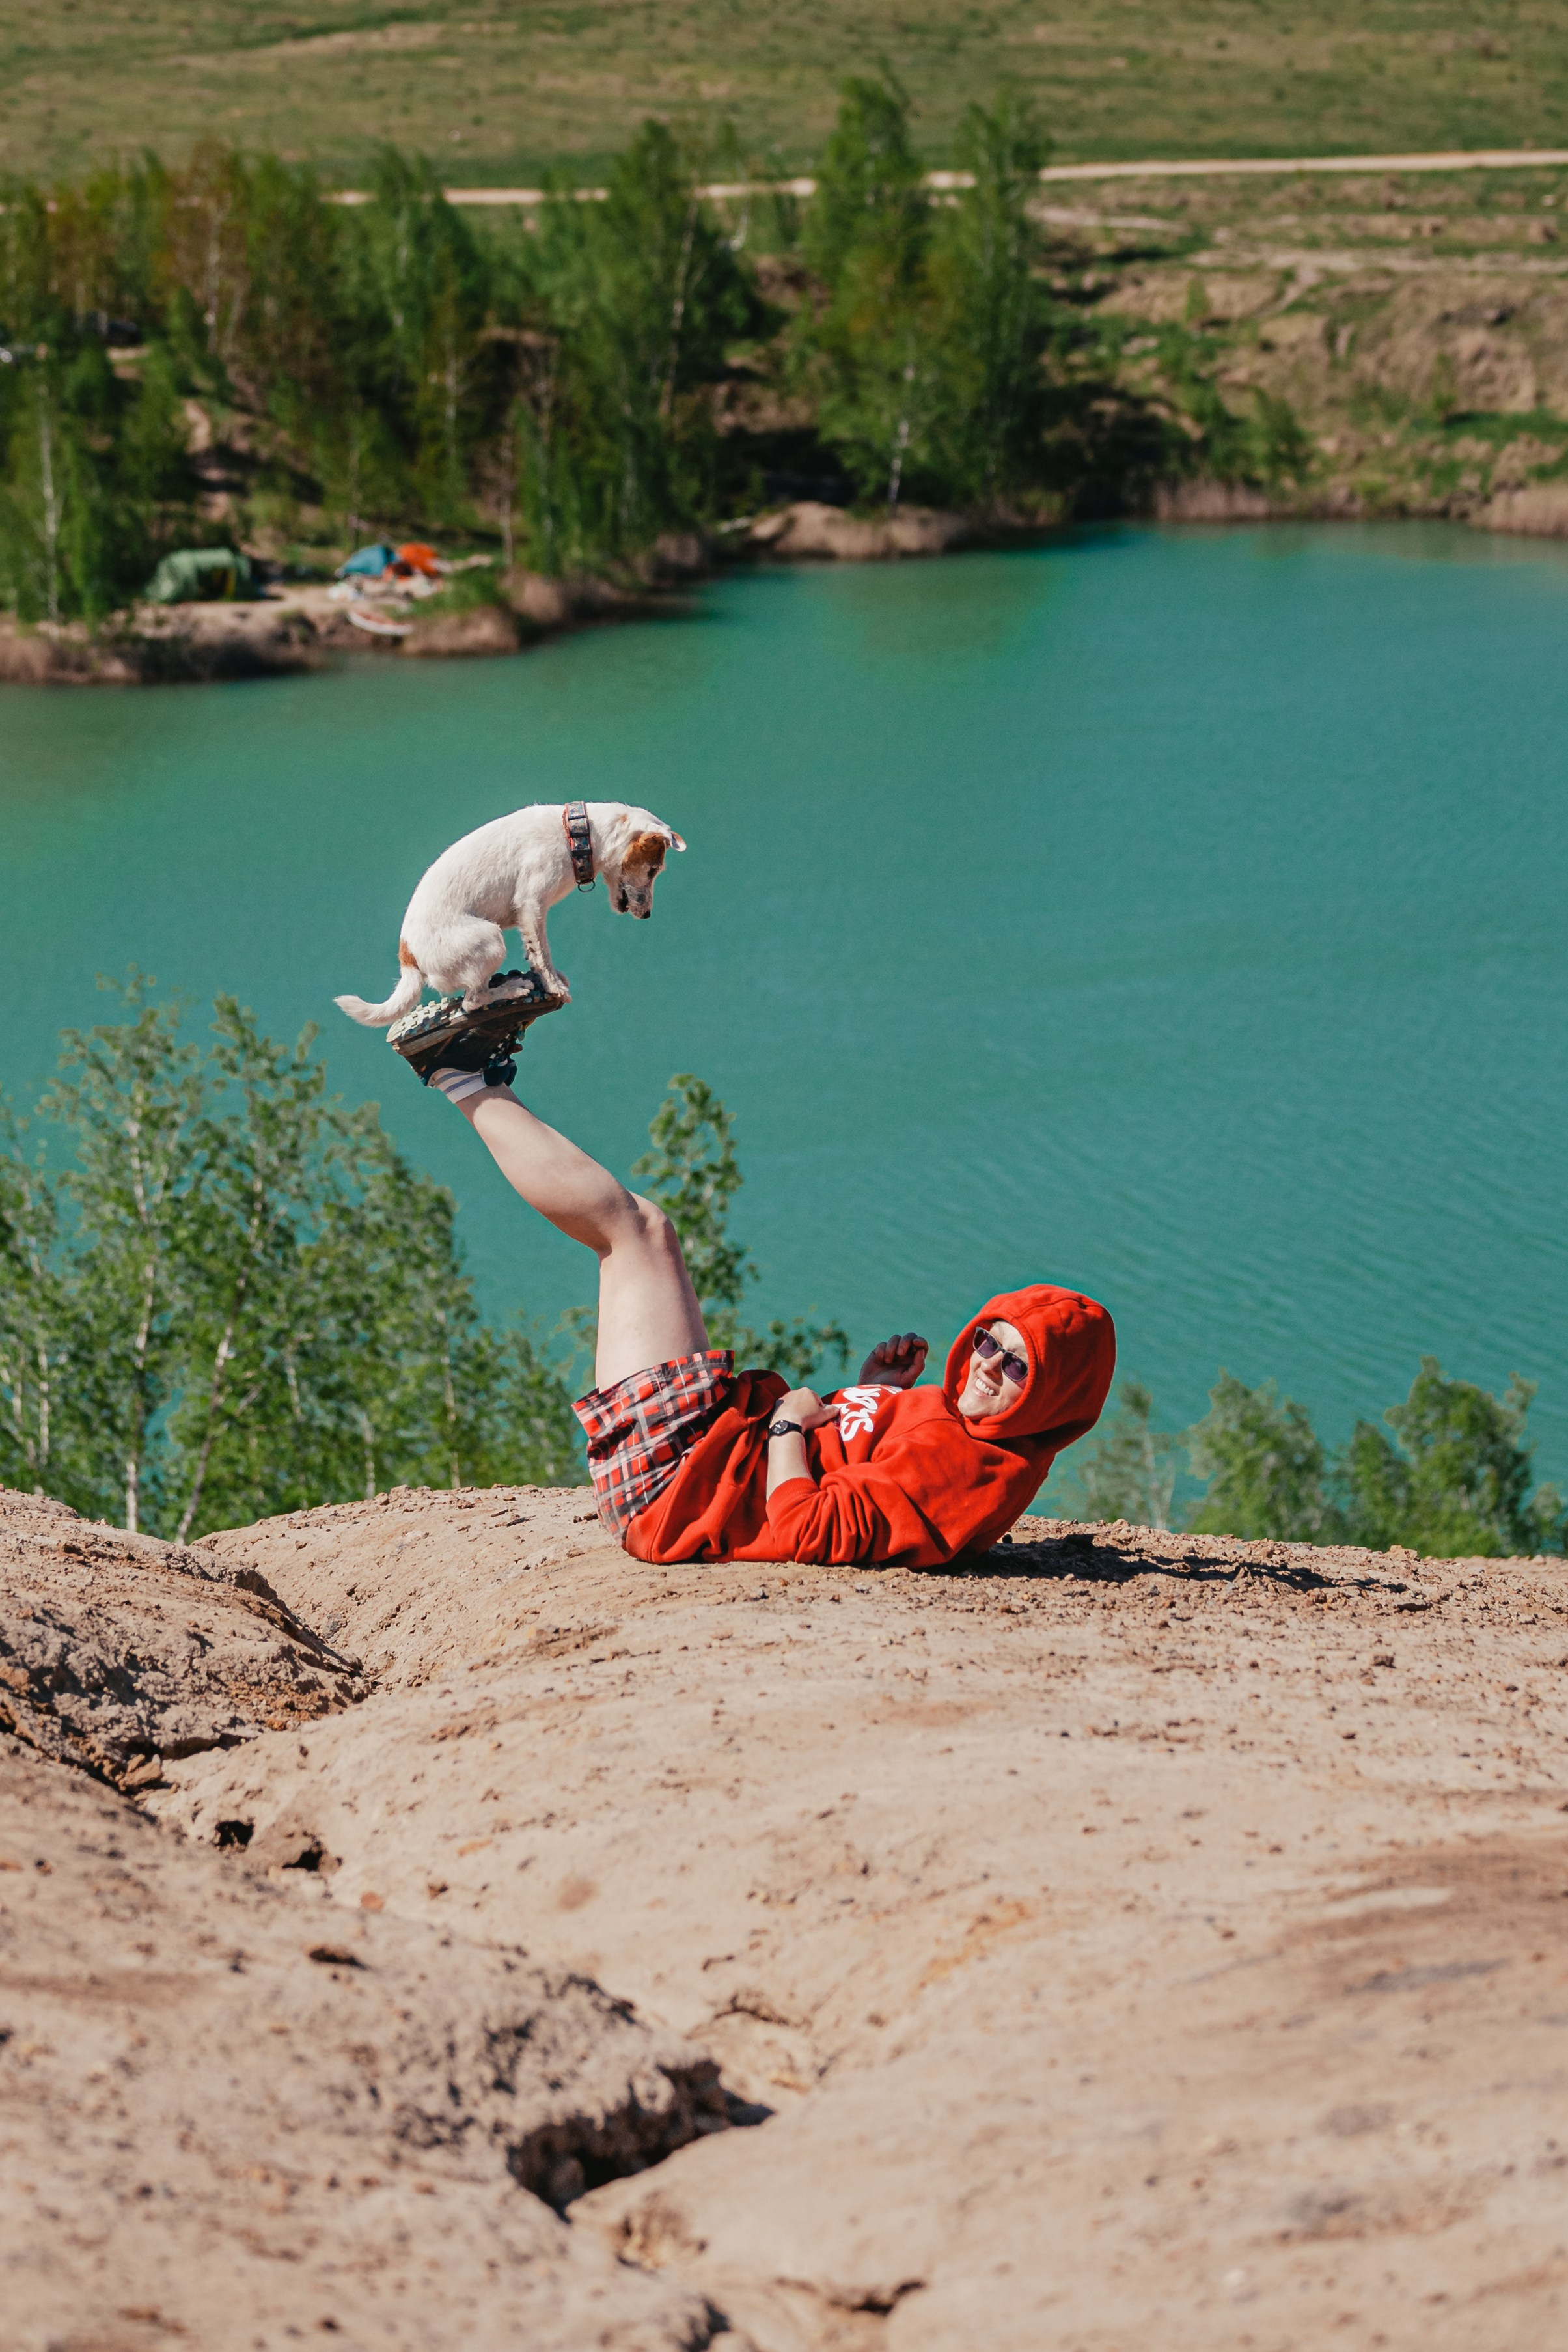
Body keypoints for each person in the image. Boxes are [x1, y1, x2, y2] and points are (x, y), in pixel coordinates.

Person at [418, 1023, 1115, 1567]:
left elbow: (809, 1528)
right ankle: (467, 1073)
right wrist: (869, 1394)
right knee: (644, 1232)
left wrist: (787, 1424)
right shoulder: (967, 1434)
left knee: (631, 1234)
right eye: (990, 1340)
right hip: (716, 1455)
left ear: (1051, 1400)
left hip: (682, 1483)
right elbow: (864, 1477)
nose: (988, 1362)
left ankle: (458, 1070)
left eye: (1016, 1366)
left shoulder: (969, 1467)